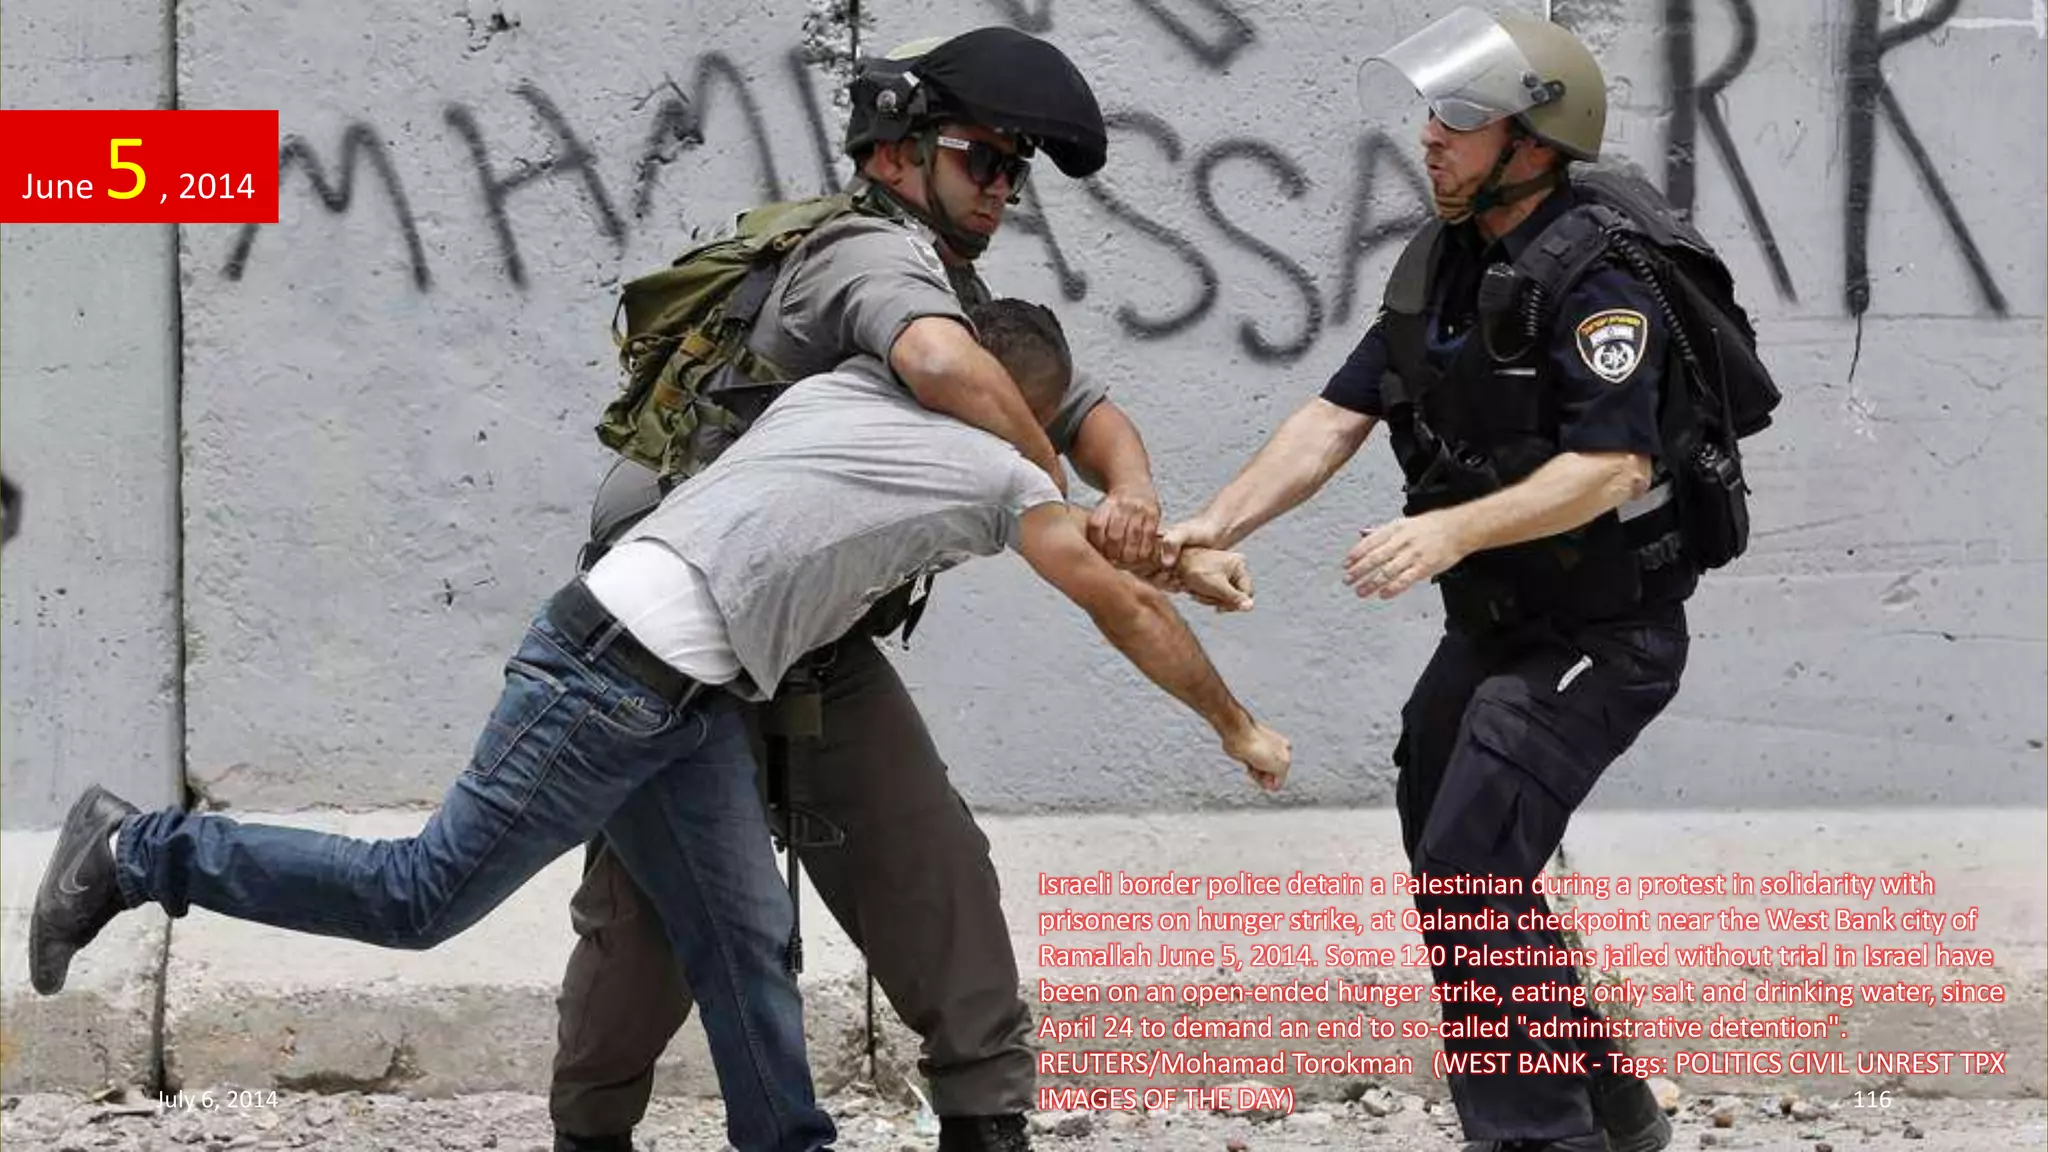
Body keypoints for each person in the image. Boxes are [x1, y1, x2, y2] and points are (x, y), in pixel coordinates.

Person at [30, 298, 1286, 1152]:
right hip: (608, 678)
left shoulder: (851, 382)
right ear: (1018, 415)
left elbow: (1088, 495)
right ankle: (138, 850)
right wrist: (1235, 725)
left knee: (745, 947)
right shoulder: (989, 468)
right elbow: (1110, 599)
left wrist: (1156, 536)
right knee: (418, 895)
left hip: (685, 695)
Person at [554, 28, 1164, 1152]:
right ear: (894, 154)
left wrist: (1128, 489)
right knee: (643, 937)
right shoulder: (861, 258)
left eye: (1015, 170)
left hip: (816, 642)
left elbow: (1077, 401)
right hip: (681, 650)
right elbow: (938, 365)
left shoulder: (949, 278)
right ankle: (588, 1136)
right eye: (984, 159)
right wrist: (1057, 502)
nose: (1003, 189)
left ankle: (987, 1123)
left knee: (935, 876)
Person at [1157, 8, 1712, 1152]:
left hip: (1600, 637)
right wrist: (1212, 518)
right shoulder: (1443, 269)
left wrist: (1452, 532)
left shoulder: (1600, 279)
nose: (1430, 137)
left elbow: (1613, 463)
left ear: (1535, 140)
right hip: (1502, 627)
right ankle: (1609, 1101)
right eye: (1429, 114)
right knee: (1445, 843)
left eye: (1460, 118)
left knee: (1468, 871)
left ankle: (1534, 1134)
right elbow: (1335, 416)